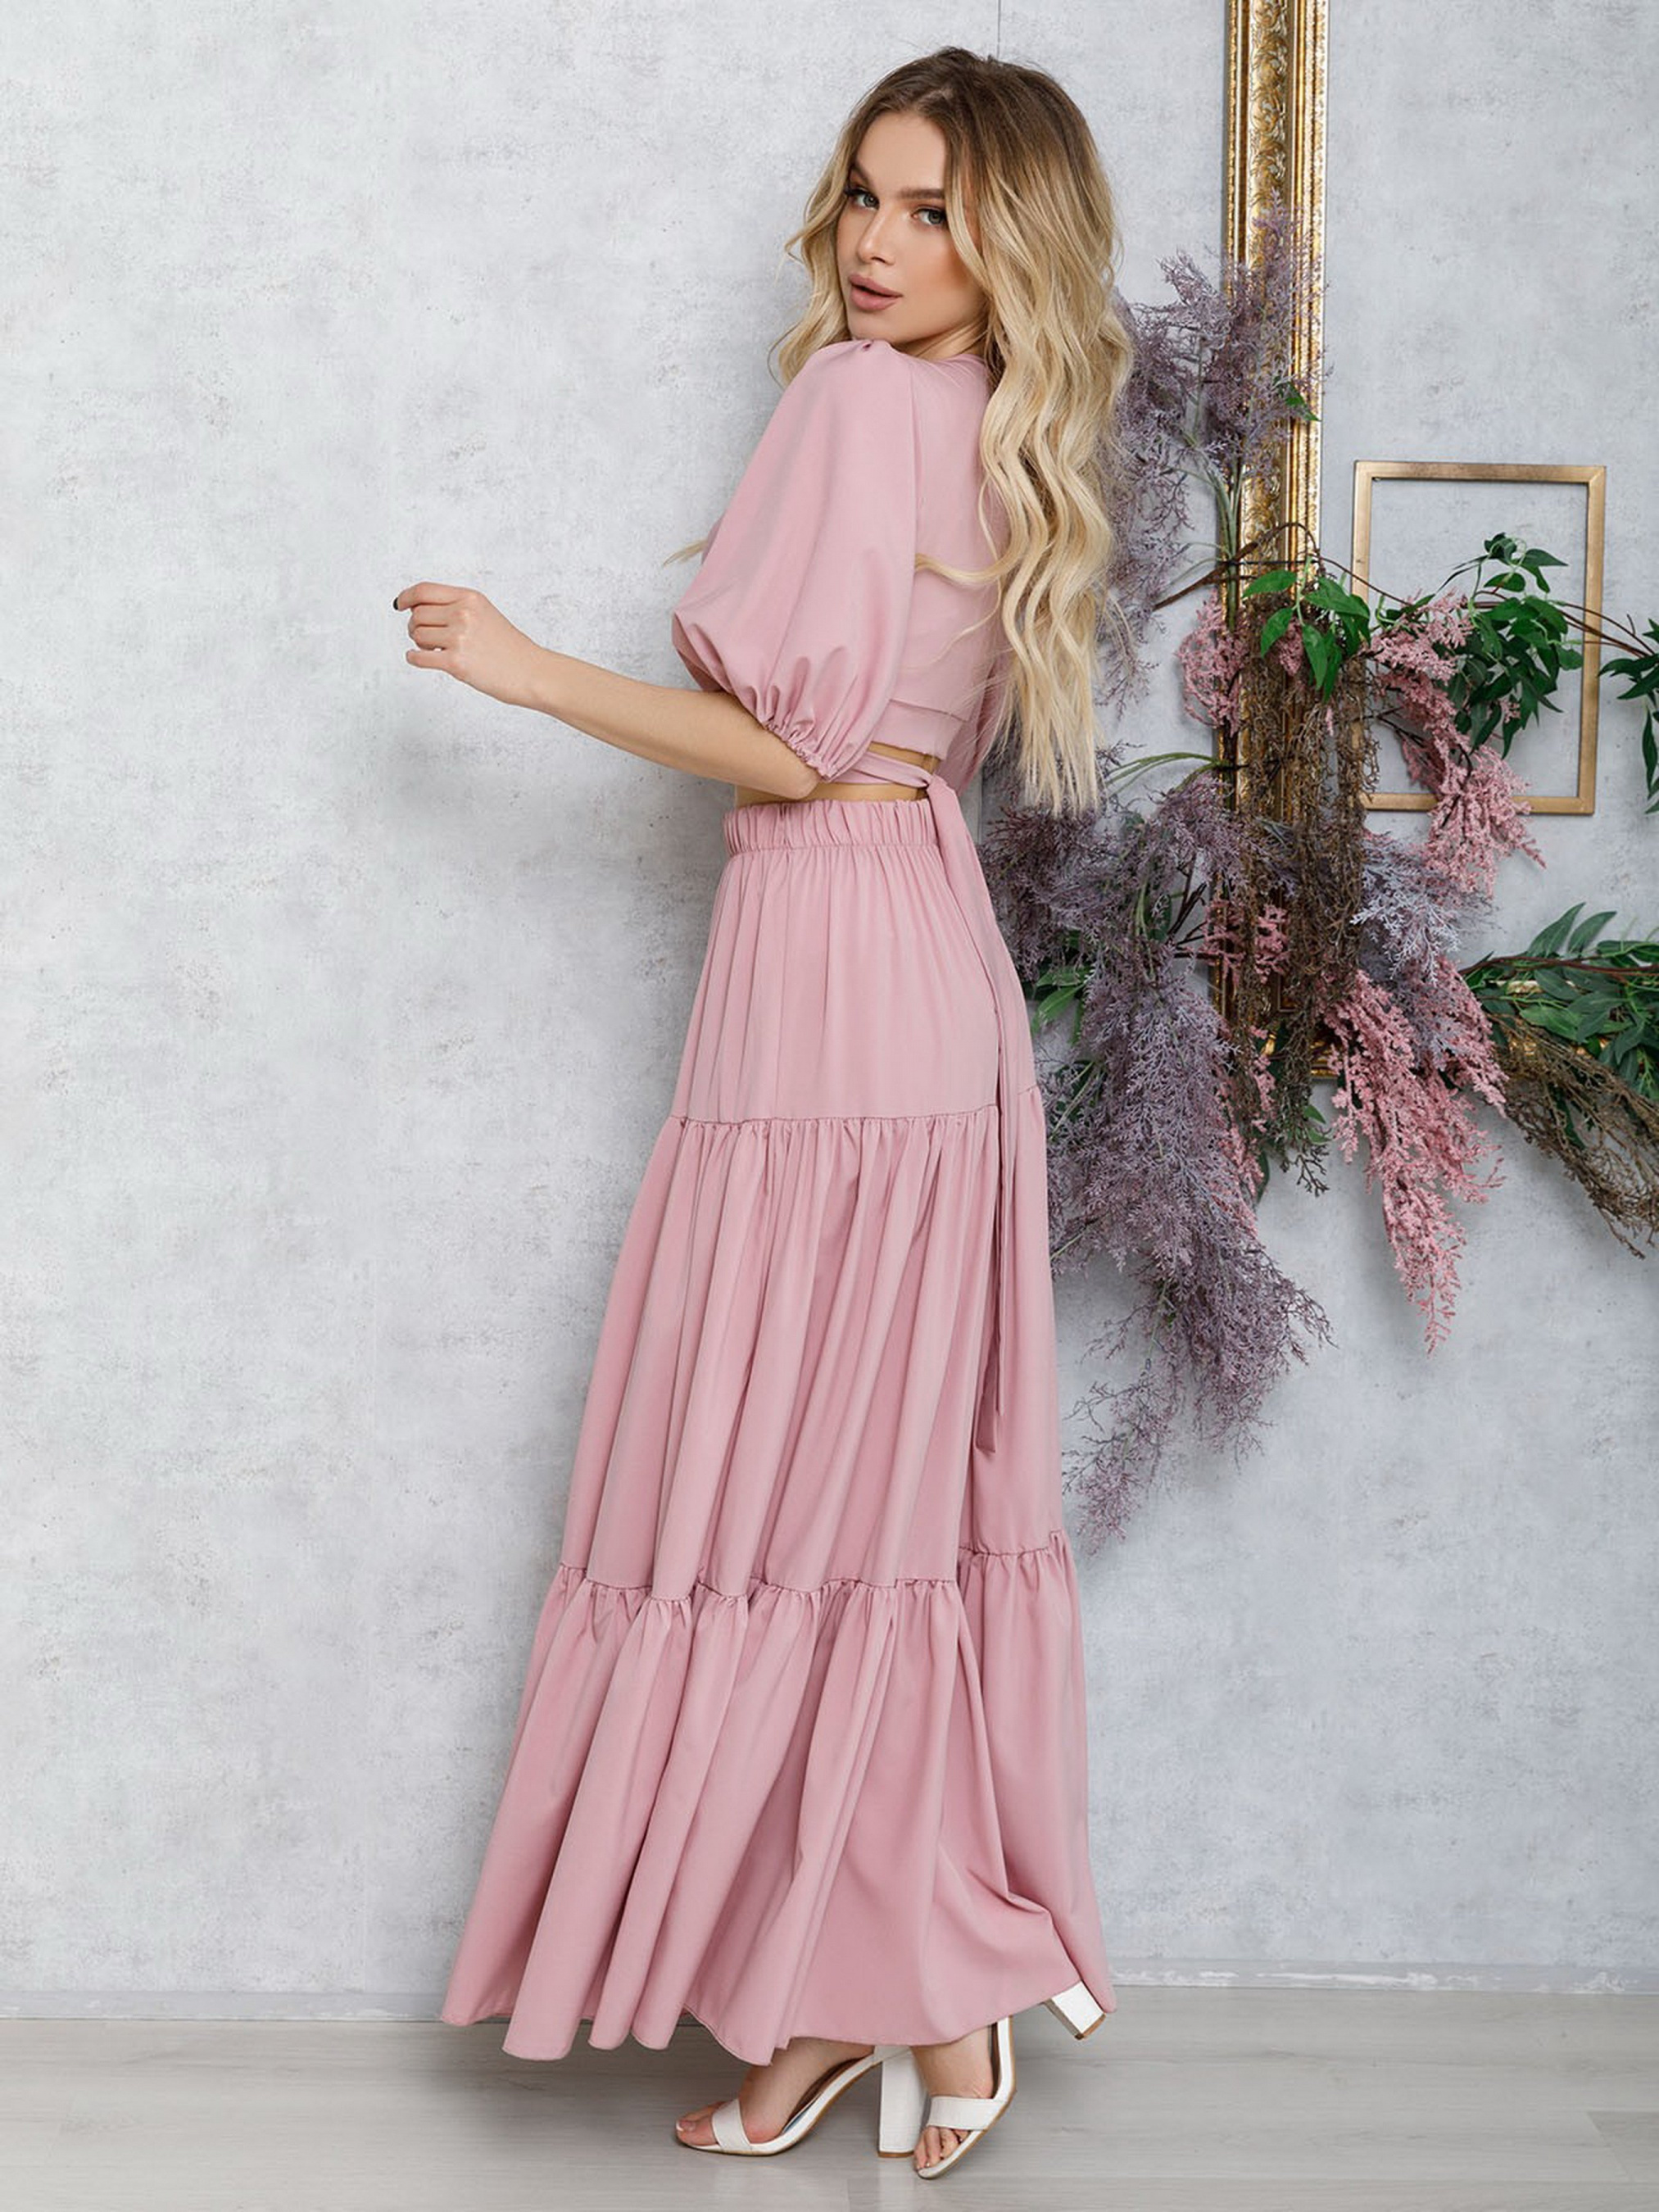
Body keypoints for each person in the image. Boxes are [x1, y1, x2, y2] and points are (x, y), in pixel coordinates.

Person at [393, 45, 1132, 2183]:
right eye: (866, 198)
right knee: (866, 1508)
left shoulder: (860, 406)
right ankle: (889, 1988)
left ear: (1009, 238)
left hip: (829, 976)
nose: (879, 245)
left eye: (932, 210)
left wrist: (524, 665)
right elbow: (885, 750)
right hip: (928, 964)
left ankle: (922, 1971)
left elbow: (797, 753)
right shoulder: (1000, 423)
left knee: (792, 1499)